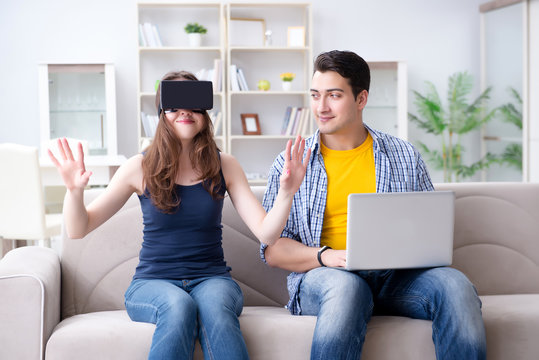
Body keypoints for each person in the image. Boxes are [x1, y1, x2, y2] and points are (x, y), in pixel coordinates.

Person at [48, 70, 311, 360]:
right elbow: (78, 228)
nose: (184, 112)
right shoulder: (139, 167)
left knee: (214, 308)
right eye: (174, 106)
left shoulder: (226, 165)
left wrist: (287, 193)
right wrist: (73, 191)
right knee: (178, 306)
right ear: (162, 113)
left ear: (205, 113)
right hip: (152, 283)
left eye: (193, 104)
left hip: (213, 279)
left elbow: (266, 233)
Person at [261, 51, 486, 359]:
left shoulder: (404, 155)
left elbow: (429, 232)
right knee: (347, 290)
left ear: (361, 98)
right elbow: (272, 250)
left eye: (334, 95)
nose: (321, 107)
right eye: (315, 95)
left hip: (396, 280)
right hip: (326, 279)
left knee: (456, 286)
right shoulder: (290, 163)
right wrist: (327, 257)